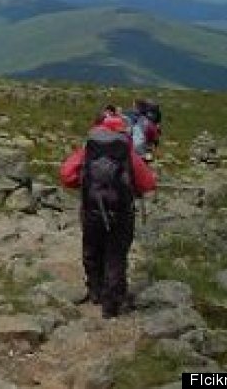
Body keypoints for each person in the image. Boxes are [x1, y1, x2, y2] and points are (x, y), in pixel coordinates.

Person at [60, 113, 157, 318]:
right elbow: (148, 183)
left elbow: (67, 175)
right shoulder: (127, 152)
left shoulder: (89, 149)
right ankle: (111, 304)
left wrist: (87, 182)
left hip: (91, 210)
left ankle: (95, 290)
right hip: (121, 213)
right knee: (116, 255)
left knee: (92, 250)